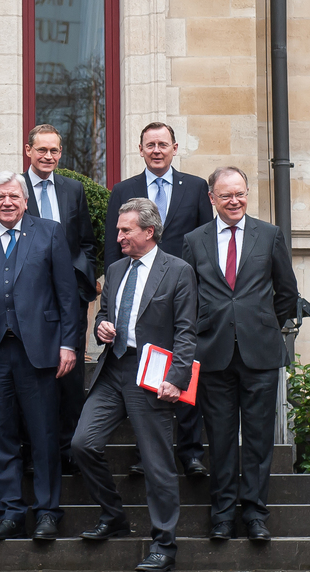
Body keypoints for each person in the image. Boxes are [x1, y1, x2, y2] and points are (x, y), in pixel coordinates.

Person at [72, 198, 197, 572]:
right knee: (82, 444)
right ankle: (114, 517)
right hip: (114, 371)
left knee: (158, 463)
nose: (119, 235)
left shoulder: (178, 271)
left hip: (153, 377)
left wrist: (177, 379)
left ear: (148, 231)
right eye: (119, 229)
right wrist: (101, 327)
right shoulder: (115, 268)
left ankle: (164, 544)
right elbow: (106, 315)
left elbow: (186, 333)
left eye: (126, 230)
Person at [182, 167, 298, 542]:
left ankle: (254, 514)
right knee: (219, 439)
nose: (235, 201)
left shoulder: (269, 235)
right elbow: (188, 297)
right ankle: (221, 516)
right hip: (213, 353)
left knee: (260, 439)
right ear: (212, 199)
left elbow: (286, 293)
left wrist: (259, 323)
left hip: (260, 353)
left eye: (241, 194)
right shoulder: (194, 240)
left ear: (247, 194)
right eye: (226, 195)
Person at [0, 171, 78, 541]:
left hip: (39, 352)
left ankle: (46, 512)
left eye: (13, 197)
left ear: (26, 201)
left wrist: (68, 344)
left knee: (43, 436)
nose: (7, 203)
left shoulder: (50, 232)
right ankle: (11, 510)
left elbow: (67, 295)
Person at [105, 122, 212, 478]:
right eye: (149, 144)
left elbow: (204, 242)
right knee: (143, 380)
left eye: (162, 144)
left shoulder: (196, 188)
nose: (156, 150)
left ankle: (191, 452)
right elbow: (113, 246)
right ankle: (143, 452)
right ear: (140, 149)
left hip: (180, 291)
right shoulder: (124, 189)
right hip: (139, 298)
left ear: (174, 148)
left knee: (184, 365)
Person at [22, 123, 98, 472]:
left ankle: (69, 449)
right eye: (42, 150)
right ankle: (34, 449)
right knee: (31, 372)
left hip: (69, 298)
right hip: (28, 300)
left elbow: (85, 241)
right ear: (28, 151)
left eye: (54, 151)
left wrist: (82, 283)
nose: (49, 156)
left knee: (69, 375)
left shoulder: (73, 189)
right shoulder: (14, 189)